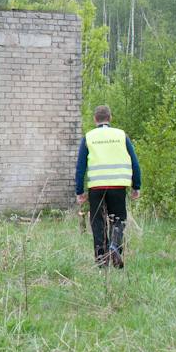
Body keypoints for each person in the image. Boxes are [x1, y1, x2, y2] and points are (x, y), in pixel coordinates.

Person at [75, 105, 141, 268]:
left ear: (95, 119)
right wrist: (136, 185)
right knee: (118, 219)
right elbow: (134, 162)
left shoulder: (88, 137)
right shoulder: (121, 135)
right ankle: (115, 248)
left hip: (96, 187)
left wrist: (80, 191)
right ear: (110, 118)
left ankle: (101, 260)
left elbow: (80, 167)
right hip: (118, 186)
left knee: (98, 222)